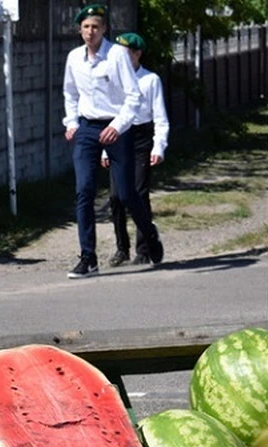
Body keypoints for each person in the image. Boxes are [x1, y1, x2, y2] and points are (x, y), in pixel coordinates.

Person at [62, 4, 164, 279]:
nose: (90, 32)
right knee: (84, 190)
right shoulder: (74, 58)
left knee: (127, 193)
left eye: (95, 26)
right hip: (87, 128)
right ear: (79, 30)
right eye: (85, 27)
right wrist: (71, 123)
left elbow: (133, 97)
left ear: (104, 29)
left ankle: (150, 236)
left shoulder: (117, 55)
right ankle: (88, 257)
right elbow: (70, 93)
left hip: (116, 127)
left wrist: (117, 126)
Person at [104, 32, 170, 267]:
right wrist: (105, 150)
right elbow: (108, 116)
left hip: (142, 138)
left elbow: (160, 117)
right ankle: (122, 247)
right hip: (118, 137)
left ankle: (144, 247)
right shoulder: (113, 79)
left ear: (137, 54)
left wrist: (158, 146)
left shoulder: (150, 80)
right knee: (116, 196)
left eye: (126, 54)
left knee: (138, 194)